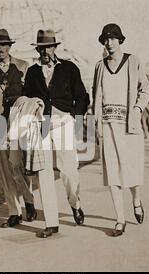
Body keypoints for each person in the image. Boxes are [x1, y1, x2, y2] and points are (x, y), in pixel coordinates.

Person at [24, 29, 90, 238]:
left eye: (48, 47)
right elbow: (27, 100)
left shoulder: (69, 69)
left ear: (55, 48)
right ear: (38, 50)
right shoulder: (33, 72)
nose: (45, 52)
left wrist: (76, 119)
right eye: (41, 48)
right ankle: (51, 223)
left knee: (68, 171)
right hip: (41, 125)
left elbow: (82, 96)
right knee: (43, 173)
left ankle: (75, 203)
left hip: (64, 123)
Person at [93, 23, 149, 237]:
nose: (108, 43)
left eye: (112, 38)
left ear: (120, 40)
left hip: (129, 126)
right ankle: (119, 219)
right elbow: (96, 98)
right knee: (113, 175)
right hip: (108, 126)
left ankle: (136, 200)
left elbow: (146, 88)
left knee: (132, 171)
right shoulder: (100, 66)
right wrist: (96, 125)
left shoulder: (133, 62)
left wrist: (137, 109)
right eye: (105, 39)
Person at [0, 29, 37, 228]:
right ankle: (14, 211)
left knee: (17, 164)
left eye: (3, 44)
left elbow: (29, 93)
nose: (0, 48)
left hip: (16, 119)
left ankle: (28, 200)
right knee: (4, 168)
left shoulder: (22, 66)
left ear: (10, 46)